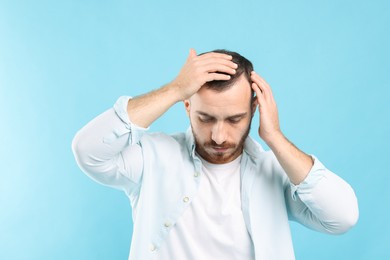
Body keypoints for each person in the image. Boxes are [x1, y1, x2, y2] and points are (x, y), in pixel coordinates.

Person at [72, 49, 359, 260]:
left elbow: (342, 217)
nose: (219, 136)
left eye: (234, 119)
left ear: (255, 109)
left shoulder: (275, 172)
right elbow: (89, 151)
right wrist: (174, 89)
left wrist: (275, 137)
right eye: (206, 118)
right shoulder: (153, 158)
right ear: (187, 107)